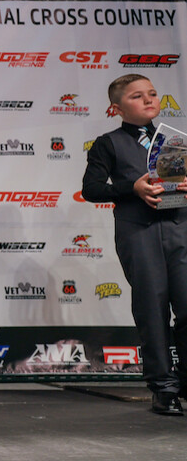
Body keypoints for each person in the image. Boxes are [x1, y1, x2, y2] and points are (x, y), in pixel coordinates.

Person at [81, 74, 187, 415]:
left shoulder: (173, 140)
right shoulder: (108, 143)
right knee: (152, 309)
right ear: (116, 108)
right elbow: (91, 189)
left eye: (152, 93)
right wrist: (132, 188)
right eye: (137, 96)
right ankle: (164, 387)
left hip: (179, 227)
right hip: (139, 232)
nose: (148, 99)